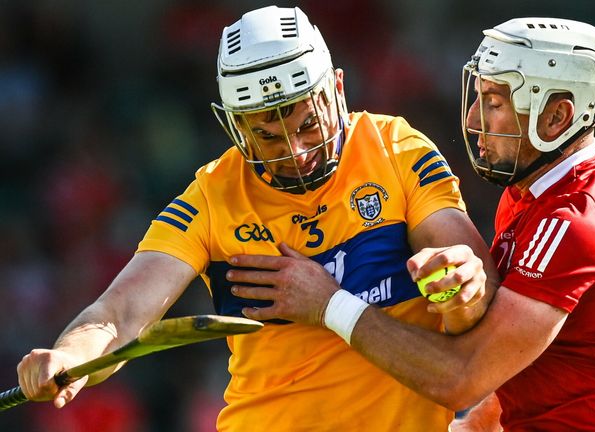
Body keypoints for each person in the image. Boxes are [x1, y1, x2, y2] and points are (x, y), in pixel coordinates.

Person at [15, 6, 498, 431]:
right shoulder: (211, 196)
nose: (298, 152)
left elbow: (475, 278)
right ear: (235, 126)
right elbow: (120, 313)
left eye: (309, 124)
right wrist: (68, 356)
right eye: (268, 137)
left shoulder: (398, 149)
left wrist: (462, 281)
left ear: (338, 89)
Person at [228, 17, 595, 431]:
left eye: (494, 102)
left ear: (557, 116)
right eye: (477, 95)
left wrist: (328, 303)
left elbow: (463, 376)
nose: (475, 119)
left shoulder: (576, 222)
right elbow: (525, 356)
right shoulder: (536, 191)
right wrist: (472, 424)